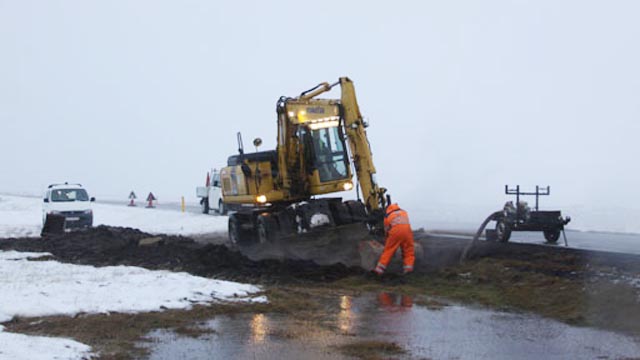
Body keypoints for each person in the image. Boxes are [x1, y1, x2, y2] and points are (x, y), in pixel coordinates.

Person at [373, 203, 415, 275]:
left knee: (388, 250)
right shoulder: (404, 212)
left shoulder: (388, 215)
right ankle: (408, 269)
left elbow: (387, 231)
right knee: (408, 250)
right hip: (408, 232)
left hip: (396, 232)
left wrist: (387, 241)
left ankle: (379, 270)